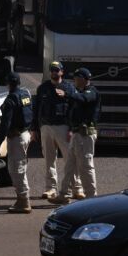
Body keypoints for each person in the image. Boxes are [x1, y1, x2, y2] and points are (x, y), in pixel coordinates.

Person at [49, 67, 100, 205]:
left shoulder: (91, 92)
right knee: (69, 165)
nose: (74, 81)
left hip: (85, 135)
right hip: (77, 134)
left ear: (83, 79)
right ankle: (64, 194)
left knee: (85, 166)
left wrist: (66, 94)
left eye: (77, 78)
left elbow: (83, 99)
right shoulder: (79, 92)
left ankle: (91, 197)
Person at [31, 61, 80, 200]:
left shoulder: (69, 88)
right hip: (46, 127)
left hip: (63, 127)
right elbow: (36, 109)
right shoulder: (43, 88)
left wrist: (72, 129)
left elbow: (75, 109)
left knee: (70, 159)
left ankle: (76, 188)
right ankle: (50, 188)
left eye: (57, 70)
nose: (54, 72)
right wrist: (34, 128)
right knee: (49, 159)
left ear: (62, 72)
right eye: (52, 70)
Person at [0, 72, 34, 214]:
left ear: (9, 84)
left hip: (16, 138)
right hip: (25, 134)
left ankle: (24, 201)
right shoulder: (25, 94)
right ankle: (21, 199)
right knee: (20, 167)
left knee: (16, 170)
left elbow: (5, 123)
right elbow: (31, 114)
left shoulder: (11, 99)